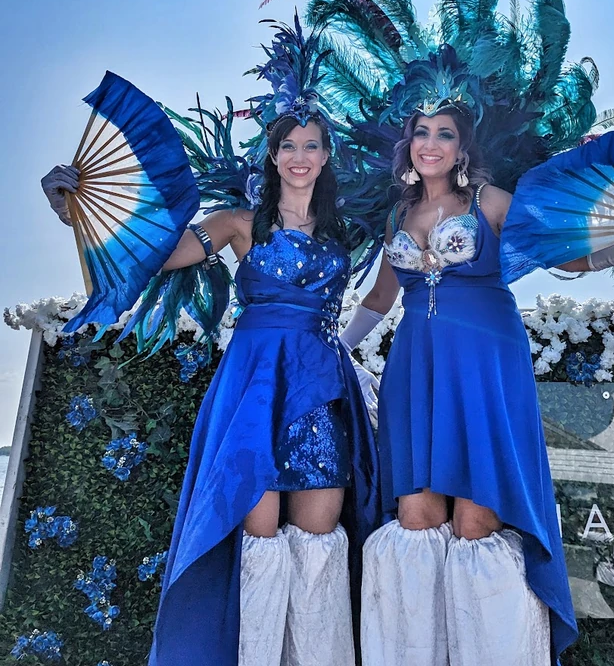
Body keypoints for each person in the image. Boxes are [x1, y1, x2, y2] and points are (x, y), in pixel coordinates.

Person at [339, 103, 614, 666]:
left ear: (462, 149)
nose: (431, 143)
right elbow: (381, 298)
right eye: (422, 133)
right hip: (417, 366)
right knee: (416, 518)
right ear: (408, 147)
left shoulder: (490, 202)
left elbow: (566, 257)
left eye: (445, 135)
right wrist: (334, 347)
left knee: (476, 522)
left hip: (485, 360)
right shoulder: (395, 215)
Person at [42, 110, 380, 666]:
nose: (299, 156)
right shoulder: (238, 223)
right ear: (273, 157)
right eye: (288, 146)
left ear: (325, 156)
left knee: (320, 546)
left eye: (311, 146)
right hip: (254, 390)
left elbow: (414, 245)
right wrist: (77, 213)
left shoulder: (350, 230)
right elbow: (160, 255)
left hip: (321, 390)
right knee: (260, 540)